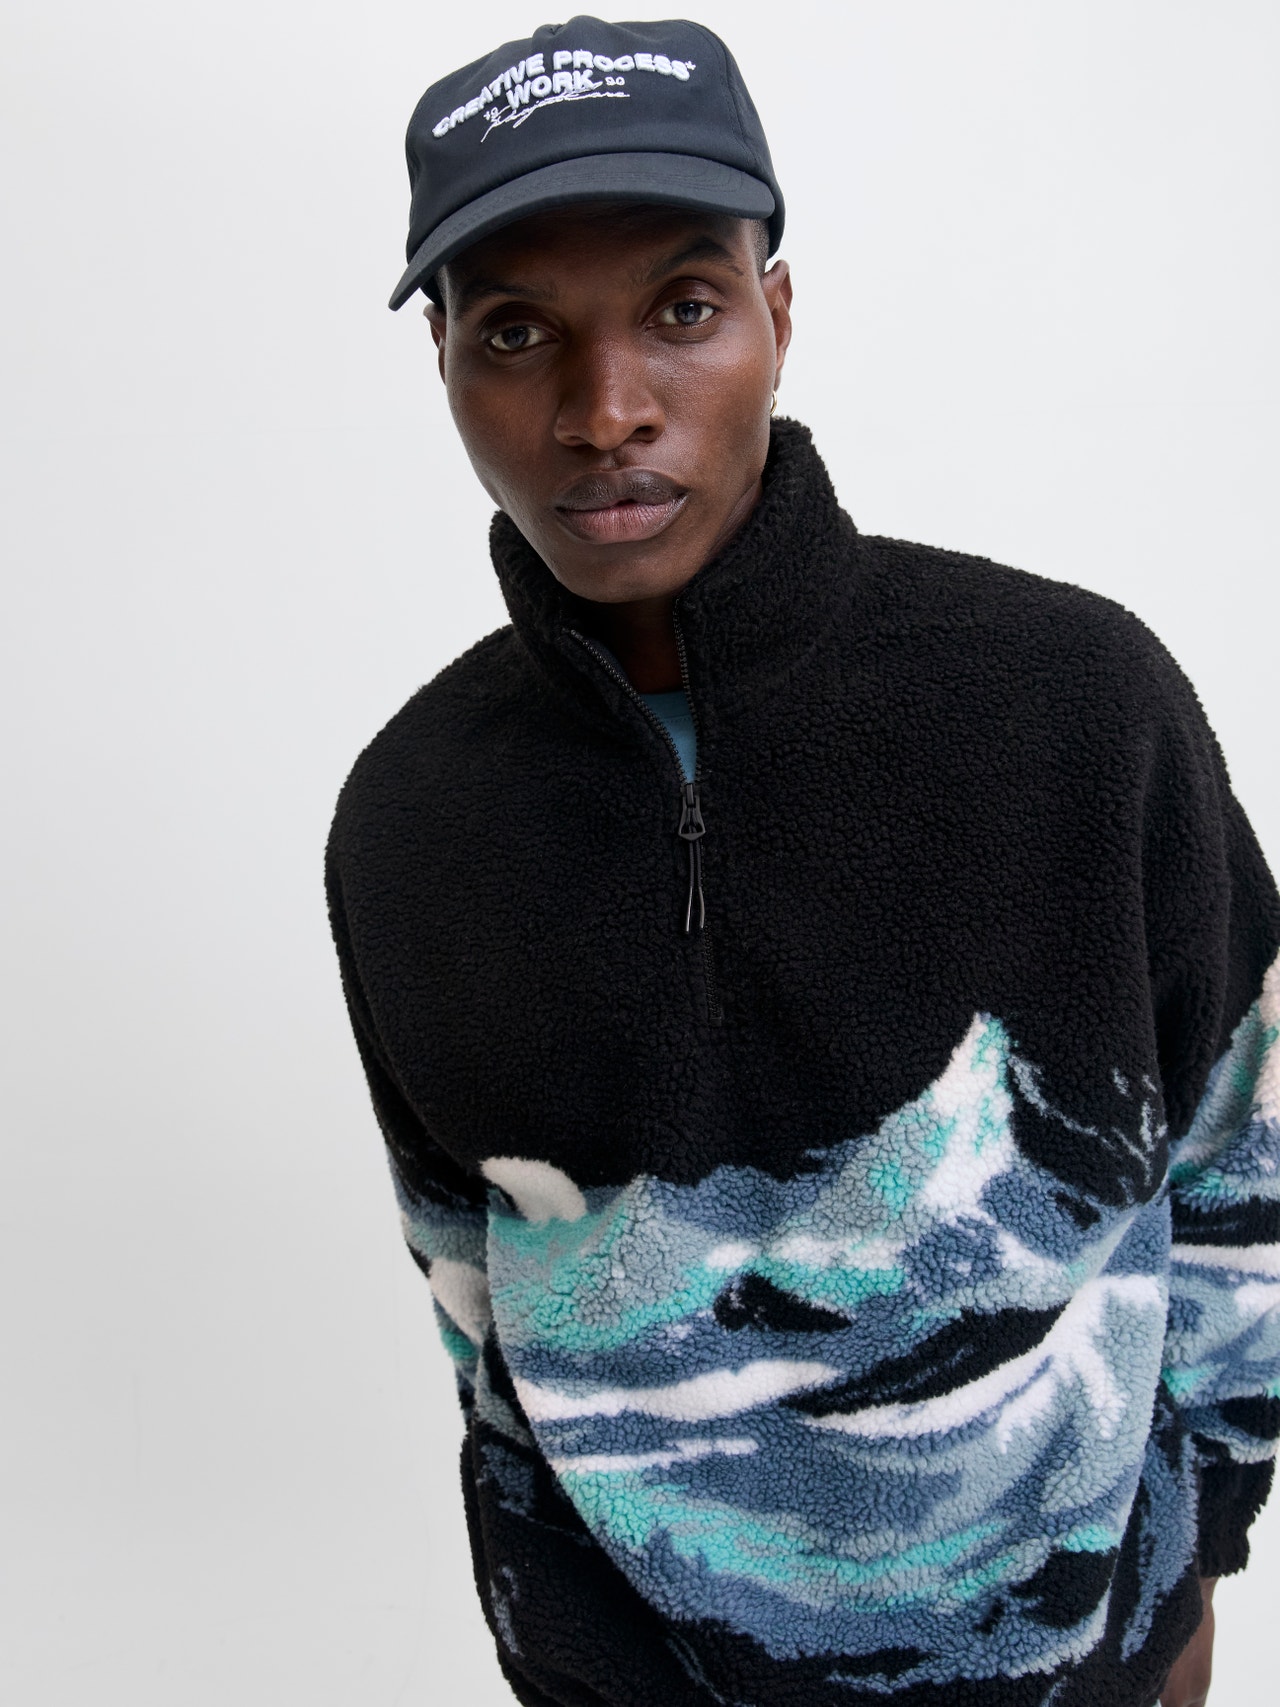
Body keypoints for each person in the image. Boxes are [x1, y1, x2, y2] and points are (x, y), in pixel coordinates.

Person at [325, 18, 1280, 1707]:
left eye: (683, 308)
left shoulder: (1078, 704)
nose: (607, 409)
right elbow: (472, 1299)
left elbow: (1243, 1157)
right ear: (446, 366)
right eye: (518, 332)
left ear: (778, 314)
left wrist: (1180, 1567)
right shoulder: (408, 819)